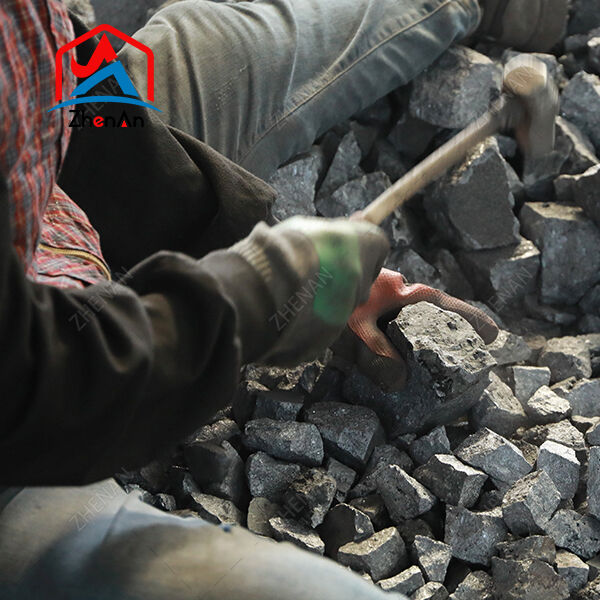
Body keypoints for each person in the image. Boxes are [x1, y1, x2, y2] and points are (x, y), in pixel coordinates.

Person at [0, 0, 567, 598]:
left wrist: (246, 246)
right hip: (28, 449)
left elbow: (73, 98)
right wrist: (243, 299)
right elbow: (33, 385)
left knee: (215, 43)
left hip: (53, 177)